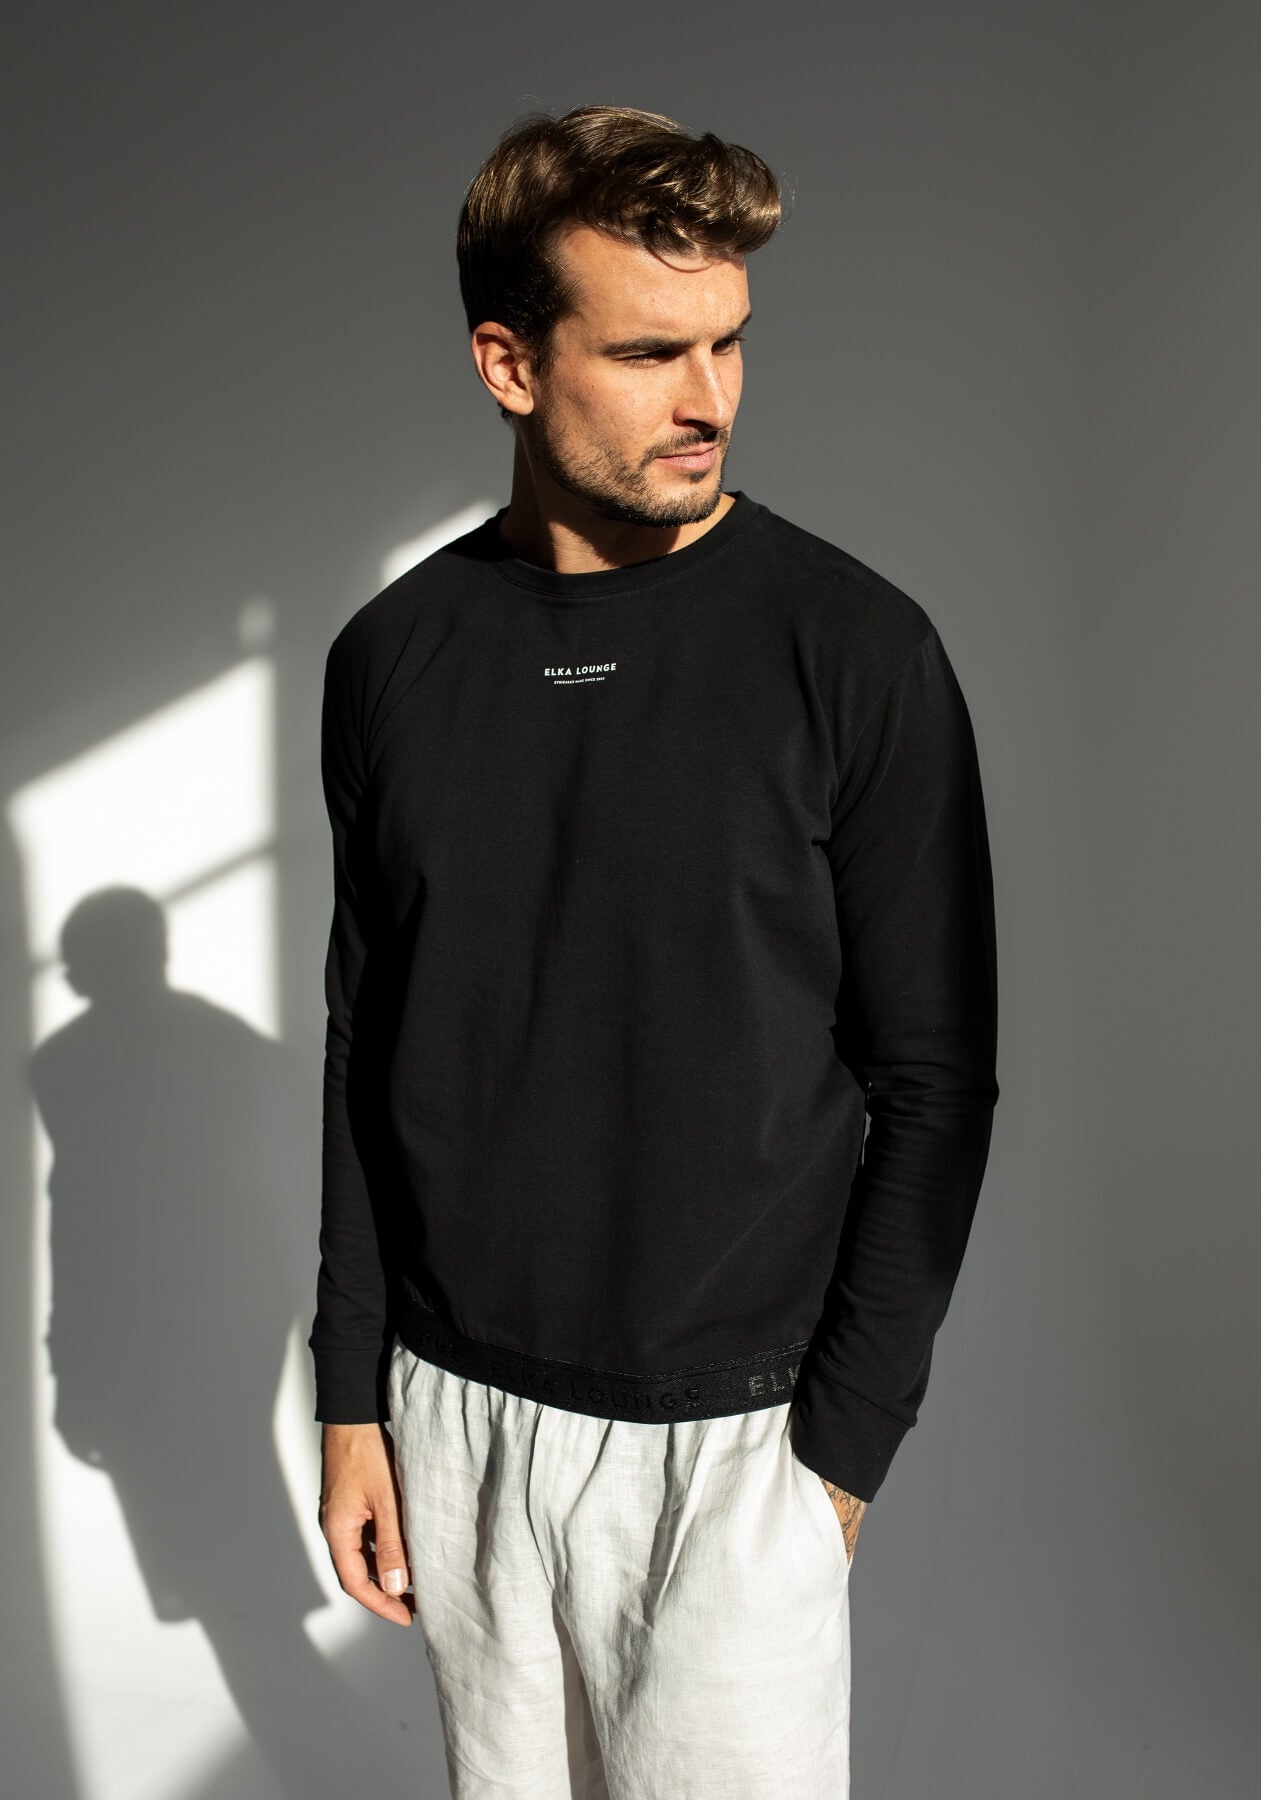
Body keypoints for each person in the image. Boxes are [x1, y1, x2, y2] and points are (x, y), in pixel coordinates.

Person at [311, 103, 1000, 1799]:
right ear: (509, 362)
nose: (708, 399)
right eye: (645, 353)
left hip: (734, 1434)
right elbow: (366, 1030)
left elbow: (933, 1075)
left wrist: (838, 1451)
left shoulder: (854, 648)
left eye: (727, 343)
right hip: (456, 1410)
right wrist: (352, 1392)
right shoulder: (392, 657)